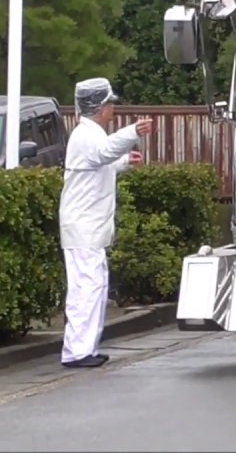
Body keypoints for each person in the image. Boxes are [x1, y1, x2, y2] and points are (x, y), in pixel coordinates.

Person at [59, 78, 154, 369]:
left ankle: (84, 348)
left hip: (87, 226)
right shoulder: (87, 135)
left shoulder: (89, 134)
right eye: (110, 103)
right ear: (99, 107)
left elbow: (98, 163)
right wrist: (132, 133)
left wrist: (123, 162)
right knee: (86, 288)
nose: (113, 108)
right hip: (83, 226)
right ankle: (77, 351)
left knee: (93, 286)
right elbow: (102, 154)